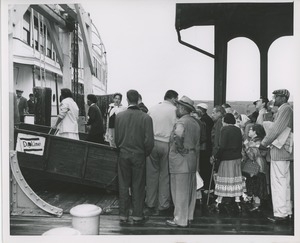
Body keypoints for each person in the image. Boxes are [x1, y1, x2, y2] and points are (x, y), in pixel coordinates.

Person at [115, 89, 154, 224]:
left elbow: (117, 139)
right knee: (138, 185)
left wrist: (121, 149)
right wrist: (144, 153)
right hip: (139, 155)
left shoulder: (119, 116)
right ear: (138, 100)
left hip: (124, 154)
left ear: (126, 100)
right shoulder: (146, 118)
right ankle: (137, 215)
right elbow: (149, 141)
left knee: (123, 185)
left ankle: (123, 215)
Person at [166, 96, 200, 227]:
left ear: (182, 108)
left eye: (178, 106)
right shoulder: (195, 123)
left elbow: (178, 135)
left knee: (179, 191)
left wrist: (180, 148)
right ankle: (189, 216)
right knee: (190, 191)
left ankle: (180, 219)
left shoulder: (181, 122)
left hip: (180, 160)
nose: (177, 109)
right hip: (192, 159)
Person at [260, 89, 293, 222]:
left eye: (276, 97)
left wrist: (264, 143)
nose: (274, 99)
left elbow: (276, 129)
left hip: (279, 152)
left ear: (283, 98)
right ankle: (286, 210)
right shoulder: (287, 109)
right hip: (284, 152)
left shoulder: (285, 109)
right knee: (285, 182)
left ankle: (280, 214)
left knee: (278, 183)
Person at [145, 90, 178, 215]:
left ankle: (150, 202)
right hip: (166, 144)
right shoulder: (174, 110)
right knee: (164, 175)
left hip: (152, 143)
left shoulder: (153, 108)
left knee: (151, 174)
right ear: (173, 99)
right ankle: (163, 204)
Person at [213, 113, 244, 212]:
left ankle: (219, 200)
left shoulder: (224, 129)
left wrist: (216, 156)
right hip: (237, 158)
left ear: (225, 121)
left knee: (224, 179)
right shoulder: (238, 129)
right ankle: (237, 200)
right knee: (235, 178)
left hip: (227, 158)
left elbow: (222, 146)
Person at [242, 124, 268, 212]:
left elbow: (252, 155)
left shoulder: (256, 142)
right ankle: (255, 203)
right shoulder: (257, 141)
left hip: (257, 167)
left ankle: (257, 204)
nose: (248, 131)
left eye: (251, 130)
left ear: (255, 132)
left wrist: (247, 146)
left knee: (256, 185)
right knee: (256, 184)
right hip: (259, 166)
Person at [195, 103, 214, 195]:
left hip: (204, 147)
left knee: (204, 167)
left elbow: (203, 136)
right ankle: (208, 186)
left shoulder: (203, 121)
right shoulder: (209, 119)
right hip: (208, 147)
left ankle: (205, 187)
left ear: (201, 110)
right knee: (207, 167)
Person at [210, 105, 226, 170]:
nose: (212, 115)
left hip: (218, 153)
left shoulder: (219, 122)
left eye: (213, 113)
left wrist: (214, 154)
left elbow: (217, 139)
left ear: (219, 113)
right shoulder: (222, 121)